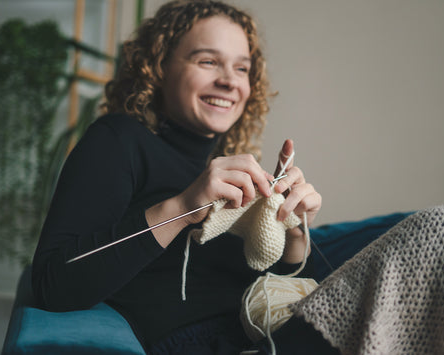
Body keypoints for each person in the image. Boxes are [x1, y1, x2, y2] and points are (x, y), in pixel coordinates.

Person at [32, 0, 333, 354]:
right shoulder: (119, 141)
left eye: (241, 68)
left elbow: (264, 292)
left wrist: (295, 233)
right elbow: (52, 283)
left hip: (262, 336)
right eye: (208, 61)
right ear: (158, 67)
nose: (228, 81)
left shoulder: (228, 169)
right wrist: (183, 209)